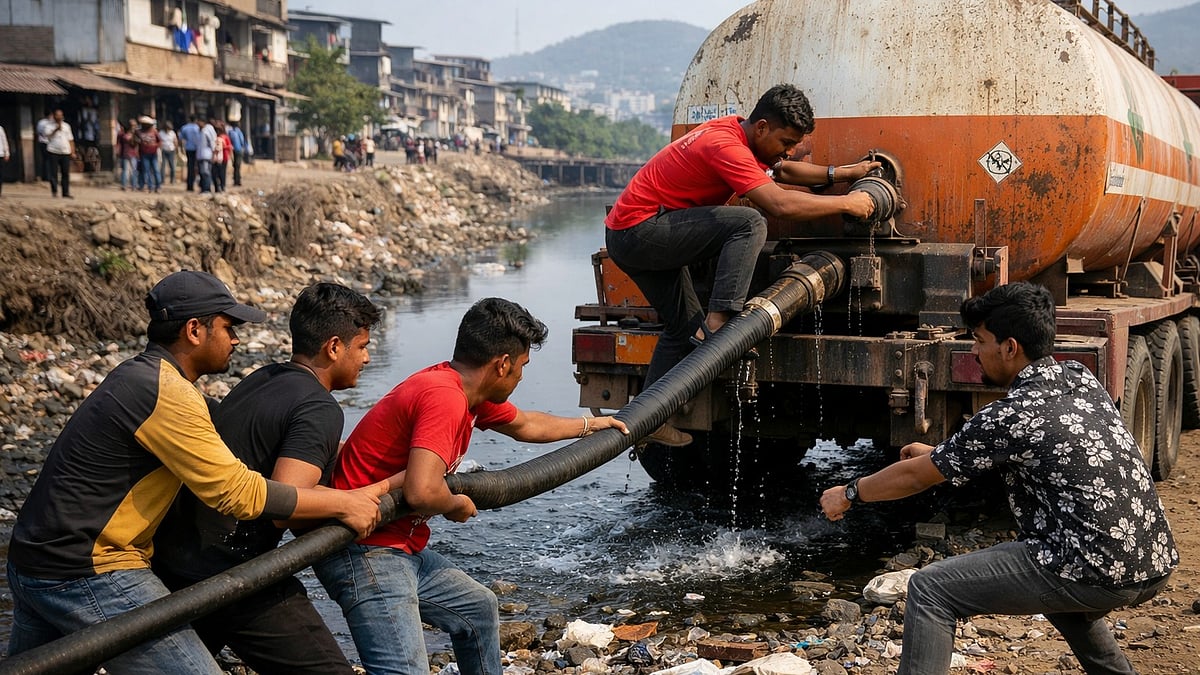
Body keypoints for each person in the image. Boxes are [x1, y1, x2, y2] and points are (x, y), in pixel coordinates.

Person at [6, 270, 385, 673]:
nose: (236, 339)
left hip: (33, 559)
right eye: (228, 327)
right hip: (87, 569)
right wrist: (343, 501)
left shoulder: (143, 375)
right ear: (194, 330)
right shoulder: (166, 393)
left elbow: (219, 432)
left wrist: (343, 452)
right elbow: (237, 492)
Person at [819, 281, 1178, 675]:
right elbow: (1029, 452)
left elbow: (913, 478)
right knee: (1063, 590)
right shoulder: (1077, 378)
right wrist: (940, 455)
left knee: (931, 588)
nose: (974, 352)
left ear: (1009, 347)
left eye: (979, 340)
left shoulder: (1011, 413)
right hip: (1151, 561)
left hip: (1096, 570)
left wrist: (849, 492)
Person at [314, 297, 630, 675]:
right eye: (522, 367)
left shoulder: (466, 390)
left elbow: (526, 425)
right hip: (363, 551)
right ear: (502, 364)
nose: (522, 378)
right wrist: (456, 504)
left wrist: (590, 426)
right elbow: (421, 491)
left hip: (399, 544)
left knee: (478, 609)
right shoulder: (445, 397)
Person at [604, 83, 877, 446]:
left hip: (629, 233)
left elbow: (784, 172)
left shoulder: (737, 130)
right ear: (762, 127)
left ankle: (647, 419)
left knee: (681, 326)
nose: (791, 151)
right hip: (642, 231)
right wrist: (847, 204)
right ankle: (720, 326)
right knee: (749, 223)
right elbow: (779, 204)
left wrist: (844, 174)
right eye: (786, 141)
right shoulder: (725, 145)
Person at [154, 282, 390, 675]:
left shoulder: (263, 378)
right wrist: (357, 500)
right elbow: (288, 506)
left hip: (174, 561)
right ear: (333, 347)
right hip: (235, 574)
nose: (366, 358)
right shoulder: (319, 406)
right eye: (362, 346)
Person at [44, 109, 74, 199]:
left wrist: (73, 152)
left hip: (65, 151)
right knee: (53, 173)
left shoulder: (66, 126)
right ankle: (54, 191)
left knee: (65, 173)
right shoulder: (48, 126)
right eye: (57, 115)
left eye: (61, 115)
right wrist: (56, 129)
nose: (59, 117)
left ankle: (66, 192)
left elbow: (71, 139)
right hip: (53, 151)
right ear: (54, 116)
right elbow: (47, 136)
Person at [135, 116, 161, 193]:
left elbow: (160, 141)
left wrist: (155, 146)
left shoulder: (154, 131)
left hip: (153, 154)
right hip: (144, 154)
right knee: (147, 170)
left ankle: (158, 186)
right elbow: (135, 142)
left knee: (156, 170)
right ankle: (150, 187)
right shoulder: (138, 132)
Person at [180, 116, 201, 191]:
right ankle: (199, 184)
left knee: (190, 167)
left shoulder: (184, 128)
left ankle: (190, 186)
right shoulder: (198, 128)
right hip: (197, 149)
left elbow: (181, 138)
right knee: (198, 166)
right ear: (195, 120)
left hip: (188, 148)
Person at [197, 118, 216, 194]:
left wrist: (213, 154)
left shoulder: (206, 131)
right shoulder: (202, 131)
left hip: (206, 155)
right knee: (202, 172)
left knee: (205, 172)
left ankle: (207, 189)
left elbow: (212, 143)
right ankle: (203, 188)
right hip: (201, 155)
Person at [227, 120, 246, 186]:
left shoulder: (234, 132)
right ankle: (236, 180)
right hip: (236, 150)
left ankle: (237, 180)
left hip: (237, 150)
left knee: (236, 165)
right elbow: (242, 141)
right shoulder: (236, 132)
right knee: (236, 165)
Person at [160, 120, 178, 185]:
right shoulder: (161, 133)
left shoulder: (172, 133)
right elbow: (160, 141)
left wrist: (176, 149)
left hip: (171, 150)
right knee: (163, 166)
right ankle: (162, 180)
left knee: (172, 166)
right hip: (164, 150)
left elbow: (175, 141)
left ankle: (172, 180)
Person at [0, 122, 9, 197]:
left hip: (0, 154)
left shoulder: (0, 129)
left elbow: (4, 141)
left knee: (0, 174)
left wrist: (7, 153)